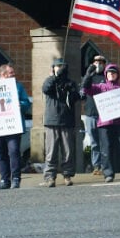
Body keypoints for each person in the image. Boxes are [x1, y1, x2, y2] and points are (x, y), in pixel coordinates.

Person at [0, 63, 32, 190]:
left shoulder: (18, 87)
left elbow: (26, 102)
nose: (14, 75)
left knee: (14, 151)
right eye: (11, 73)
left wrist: (20, 104)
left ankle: (15, 178)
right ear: (3, 74)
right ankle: (4, 180)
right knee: (1, 154)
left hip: (13, 126)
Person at [42, 58, 81, 187]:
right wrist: (55, 77)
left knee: (68, 151)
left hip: (67, 121)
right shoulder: (49, 81)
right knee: (51, 151)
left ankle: (67, 175)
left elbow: (76, 98)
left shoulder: (70, 82)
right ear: (53, 68)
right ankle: (50, 177)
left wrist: (73, 90)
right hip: (52, 121)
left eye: (62, 66)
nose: (60, 68)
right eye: (57, 66)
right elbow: (46, 88)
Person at [81, 54, 106, 175]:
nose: (98, 64)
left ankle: (105, 165)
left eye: (101, 62)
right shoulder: (89, 77)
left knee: (104, 141)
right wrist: (88, 73)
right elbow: (83, 90)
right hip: (90, 114)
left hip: (104, 114)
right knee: (94, 142)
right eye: (96, 61)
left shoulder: (106, 77)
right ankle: (96, 166)